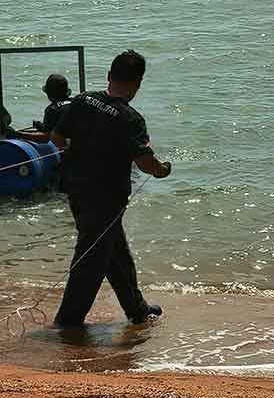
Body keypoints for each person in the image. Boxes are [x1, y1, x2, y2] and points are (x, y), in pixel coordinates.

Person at [49, 50, 172, 327]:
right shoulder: (131, 119)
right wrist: (163, 170)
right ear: (138, 82)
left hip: (76, 191)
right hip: (105, 198)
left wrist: (81, 152)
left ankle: (137, 309)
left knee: (116, 252)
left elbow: (56, 137)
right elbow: (145, 163)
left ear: (109, 76)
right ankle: (68, 322)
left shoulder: (83, 100)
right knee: (91, 261)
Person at [22, 73, 73, 145]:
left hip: (67, 150)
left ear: (49, 94)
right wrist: (41, 127)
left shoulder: (52, 109)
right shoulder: (75, 103)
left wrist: (20, 135)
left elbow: (46, 138)